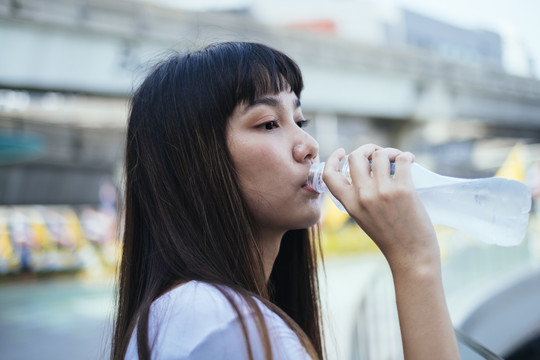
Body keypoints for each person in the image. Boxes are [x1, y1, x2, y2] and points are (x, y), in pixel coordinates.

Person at [111, 41, 460, 360]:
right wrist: (416, 262)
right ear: (193, 164)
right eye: (267, 124)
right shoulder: (227, 325)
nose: (308, 145)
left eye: (299, 120)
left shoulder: (179, 314)